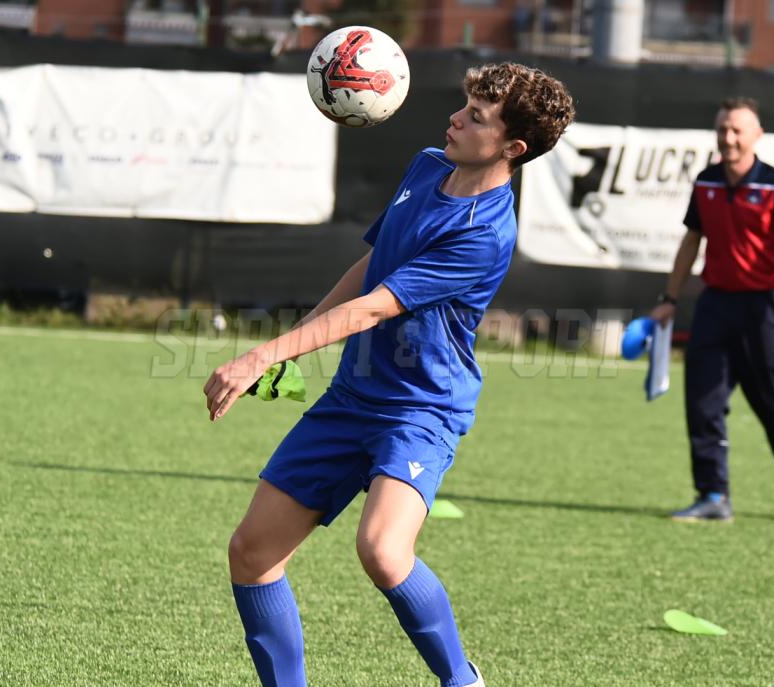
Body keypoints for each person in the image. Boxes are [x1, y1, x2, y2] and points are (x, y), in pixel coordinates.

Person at [203, 63, 575, 686]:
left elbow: (376, 306)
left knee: (381, 549)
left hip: (421, 408)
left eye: (476, 118)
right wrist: (292, 346)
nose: (455, 119)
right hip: (353, 395)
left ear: (512, 148)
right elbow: (372, 266)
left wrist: (261, 355)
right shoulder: (427, 166)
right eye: (464, 106)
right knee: (252, 552)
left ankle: (462, 680)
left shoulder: (485, 232)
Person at [651, 96, 774, 524]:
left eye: (736, 130)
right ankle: (713, 494)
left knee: (772, 403)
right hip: (716, 305)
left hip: (765, 309)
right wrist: (669, 300)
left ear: (756, 135)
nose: (728, 138)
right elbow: (691, 242)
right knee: (703, 401)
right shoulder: (706, 181)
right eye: (722, 129)